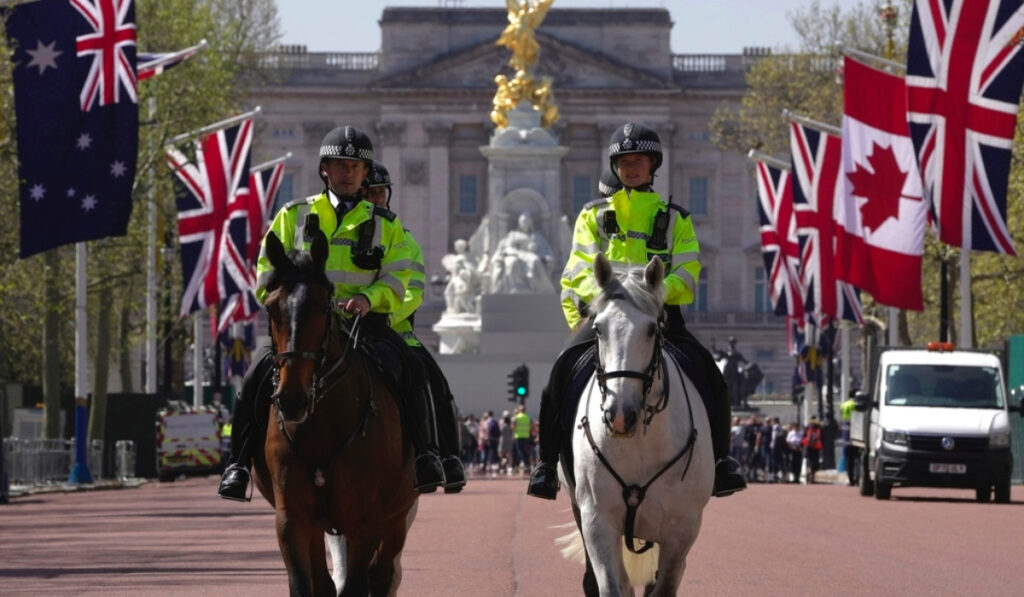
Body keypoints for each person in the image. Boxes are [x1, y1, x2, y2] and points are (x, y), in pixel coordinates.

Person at [217, 126, 445, 501]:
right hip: (302, 325)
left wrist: (370, 299)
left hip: (363, 323)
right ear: (325, 169)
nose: (348, 172)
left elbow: (399, 275)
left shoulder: (386, 225)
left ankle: (427, 455)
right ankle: (238, 463)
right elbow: (265, 274)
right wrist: (297, 301)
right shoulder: (294, 215)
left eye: (356, 166)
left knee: (415, 369)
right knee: (254, 378)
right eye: (341, 165)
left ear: (364, 172)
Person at [527, 122, 746, 500]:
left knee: (711, 375)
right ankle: (547, 464)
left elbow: (689, 271)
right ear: (615, 168)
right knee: (560, 371)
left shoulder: (676, 218)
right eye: (624, 161)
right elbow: (578, 269)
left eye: (638, 160)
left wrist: (655, 296)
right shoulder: (592, 215)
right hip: (608, 317)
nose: (631, 168)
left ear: (652, 165)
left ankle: (723, 462)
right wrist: (605, 301)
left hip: (659, 317)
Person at [366, 160, 466, 492]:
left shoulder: (403, 237)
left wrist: (379, 314)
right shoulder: (331, 229)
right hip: (336, 327)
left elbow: (413, 292)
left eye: (380, 192)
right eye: (369, 192)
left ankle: (440, 456)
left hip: (392, 331)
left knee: (432, 382)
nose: (376, 198)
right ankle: (243, 460)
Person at [802, 417, 824, 484]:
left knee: (809, 462)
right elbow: (822, 438)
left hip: (808, 447)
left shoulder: (807, 428)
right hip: (816, 447)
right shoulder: (819, 429)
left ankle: (809, 474)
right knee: (814, 462)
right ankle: (812, 476)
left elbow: (804, 438)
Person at [512, 404, 533, 472]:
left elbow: (513, 427)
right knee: (522, 450)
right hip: (526, 436)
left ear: (519, 410)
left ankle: (526, 464)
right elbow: (531, 427)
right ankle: (517, 465)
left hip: (518, 436)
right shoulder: (528, 417)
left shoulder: (516, 417)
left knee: (520, 451)